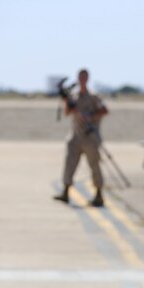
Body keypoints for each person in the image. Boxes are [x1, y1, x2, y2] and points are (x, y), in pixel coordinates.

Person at [54, 69, 108, 207]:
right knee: (69, 164)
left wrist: (91, 116)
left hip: (90, 137)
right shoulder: (73, 96)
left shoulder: (94, 96)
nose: (82, 79)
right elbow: (67, 112)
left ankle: (98, 194)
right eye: (80, 77)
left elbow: (104, 110)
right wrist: (67, 102)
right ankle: (66, 191)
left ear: (88, 78)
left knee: (94, 165)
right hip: (75, 136)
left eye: (84, 77)